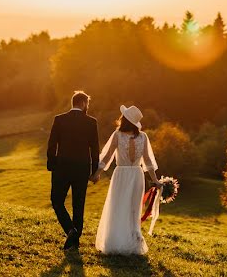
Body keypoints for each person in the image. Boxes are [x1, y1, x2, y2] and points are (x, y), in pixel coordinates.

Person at [93, 104, 161, 255]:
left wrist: (97, 173)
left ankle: (115, 241)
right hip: (137, 175)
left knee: (118, 206)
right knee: (132, 208)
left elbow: (107, 156)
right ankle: (131, 241)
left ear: (125, 120)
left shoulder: (118, 135)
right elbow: (148, 162)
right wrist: (155, 180)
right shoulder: (143, 137)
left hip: (121, 175)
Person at [46, 90, 101, 250]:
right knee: (79, 205)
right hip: (82, 169)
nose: (87, 107)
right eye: (87, 104)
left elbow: (51, 144)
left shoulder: (59, 119)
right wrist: (94, 171)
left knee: (56, 201)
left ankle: (70, 231)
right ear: (83, 103)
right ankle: (74, 237)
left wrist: (52, 164)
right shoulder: (91, 122)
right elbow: (95, 149)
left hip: (61, 168)